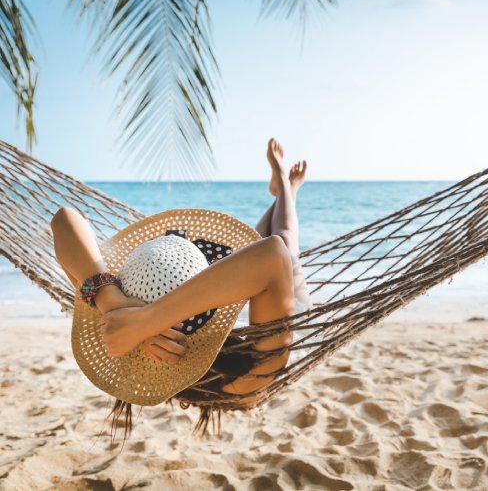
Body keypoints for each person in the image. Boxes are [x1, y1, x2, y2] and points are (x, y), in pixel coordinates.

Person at [51, 138, 310, 413]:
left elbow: (63, 220)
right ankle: (285, 187)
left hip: (233, 281)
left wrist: (112, 302)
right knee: (283, 236)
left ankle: (284, 188)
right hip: (281, 307)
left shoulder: (116, 329)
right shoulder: (246, 380)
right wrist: (143, 323)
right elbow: (274, 253)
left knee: (258, 242)